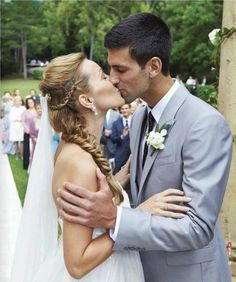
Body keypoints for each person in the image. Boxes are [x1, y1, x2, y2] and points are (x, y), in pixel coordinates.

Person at [58, 13, 233, 282]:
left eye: (121, 69)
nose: (113, 79)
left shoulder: (205, 124)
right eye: (110, 69)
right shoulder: (140, 117)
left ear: (153, 66)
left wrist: (116, 218)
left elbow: (197, 228)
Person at [10, 52, 189, 282]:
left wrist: (116, 181)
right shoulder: (79, 161)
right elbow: (76, 263)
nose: (113, 79)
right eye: (103, 76)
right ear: (86, 100)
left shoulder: (76, 149)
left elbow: (91, 199)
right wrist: (139, 215)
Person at [111, 103, 132, 174]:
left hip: (133, 154)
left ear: (130, 109)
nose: (124, 110)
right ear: (120, 110)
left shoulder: (136, 121)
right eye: (122, 109)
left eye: (126, 108)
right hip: (120, 155)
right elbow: (113, 139)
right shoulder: (116, 123)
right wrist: (122, 136)